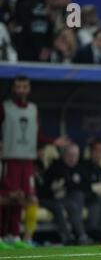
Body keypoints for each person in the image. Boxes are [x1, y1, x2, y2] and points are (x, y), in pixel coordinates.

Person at [0, 75, 68, 248]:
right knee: (9, 198)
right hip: (11, 159)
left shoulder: (33, 109)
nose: (22, 90)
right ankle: (3, 235)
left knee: (28, 198)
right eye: (18, 87)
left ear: (29, 89)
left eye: (25, 87)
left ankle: (16, 237)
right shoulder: (4, 108)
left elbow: (36, 135)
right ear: (13, 89)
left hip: (28, 161)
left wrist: (53, 142)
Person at [42, 143, 91, 245]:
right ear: (64, 155)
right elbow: (45, 189)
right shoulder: (55, 167)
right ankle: (68, 238)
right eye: (70, 155)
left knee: (73, 203)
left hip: (64, 199)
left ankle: (82, 236)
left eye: (75, 156)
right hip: (48, 198)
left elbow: (84, 187)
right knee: (59, 206)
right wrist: (55, 189)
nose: (72, 158)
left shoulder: (79, 168)